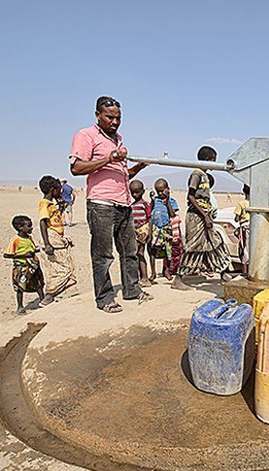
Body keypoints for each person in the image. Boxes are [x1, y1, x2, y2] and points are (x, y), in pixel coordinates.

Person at [69, 95, 153, 313]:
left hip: (123, 204)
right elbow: (76, 168)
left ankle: (132, 290)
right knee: (103, 254)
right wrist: (109, 157)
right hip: (101, 204)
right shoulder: (86, 135)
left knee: (130, 250)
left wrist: (138, 169)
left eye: (118, 118)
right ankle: (105, 298)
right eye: (110, 118)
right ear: (97, 115)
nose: (115, 122)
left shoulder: (118, 139)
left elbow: (120, 173)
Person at [171, 146, 232, 290]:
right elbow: (190, 196)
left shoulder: (205, 176)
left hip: (205, 216)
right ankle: (178, 278)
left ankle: (223, 273)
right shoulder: (196, 174)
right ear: (207, 160)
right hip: (196, 217)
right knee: (193, 246)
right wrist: (205, 216)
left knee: (215, 242)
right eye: (213, 161)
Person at [38, 176, 77, 305]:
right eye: (59, 190)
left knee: (68, 270)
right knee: (64, 270)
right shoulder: (44, 204)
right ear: (52, 190)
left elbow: (55, 219)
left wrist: (60, 207)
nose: (60, 192)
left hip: (57, 237)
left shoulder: (51, 205)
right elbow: (43, 222)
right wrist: (47, 244)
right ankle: (49, 295)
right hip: (51, 238)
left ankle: (51, 296)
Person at [3, 215, 45, 314]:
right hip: (22, 267)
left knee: (38, 284)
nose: (31, 228)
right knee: (20, 287)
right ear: (20, 227)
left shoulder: (29, 238)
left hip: (33, 266)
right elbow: (7, 254)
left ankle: (43, 301)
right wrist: (23, 255)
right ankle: (20, 306)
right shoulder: (15, 240)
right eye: (29, 226)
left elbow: (32, 249)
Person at [149, 178, 183, 280]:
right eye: (157, 191)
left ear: (168, 189)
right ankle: (153, 272)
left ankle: (167, 271)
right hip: (156, 229)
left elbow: (172, 214)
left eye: (162, 190)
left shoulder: (172, 201)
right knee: (153, 251)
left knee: (168, 252)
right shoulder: (155, 201)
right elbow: (151, 213)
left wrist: (167, 201)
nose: (160, 193)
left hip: (167, 229)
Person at [129, 180, 152, 287]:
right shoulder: (132, 205)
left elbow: (149, 218)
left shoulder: (144, 204)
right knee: (137, 254)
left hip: (143, 231)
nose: (134, 195)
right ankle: (140, 277)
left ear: (142, 191)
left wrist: (150, 233)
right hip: (134, 232)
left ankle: (145, 278)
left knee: (140, 254)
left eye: (137, 192)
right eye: (132, 192)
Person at [234, 184, 250, 275]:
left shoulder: (241, 203)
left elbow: (236, 218)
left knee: (244, 249)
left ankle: (245, 272)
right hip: (253, 227)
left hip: (244, 227)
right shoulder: (255, 203)